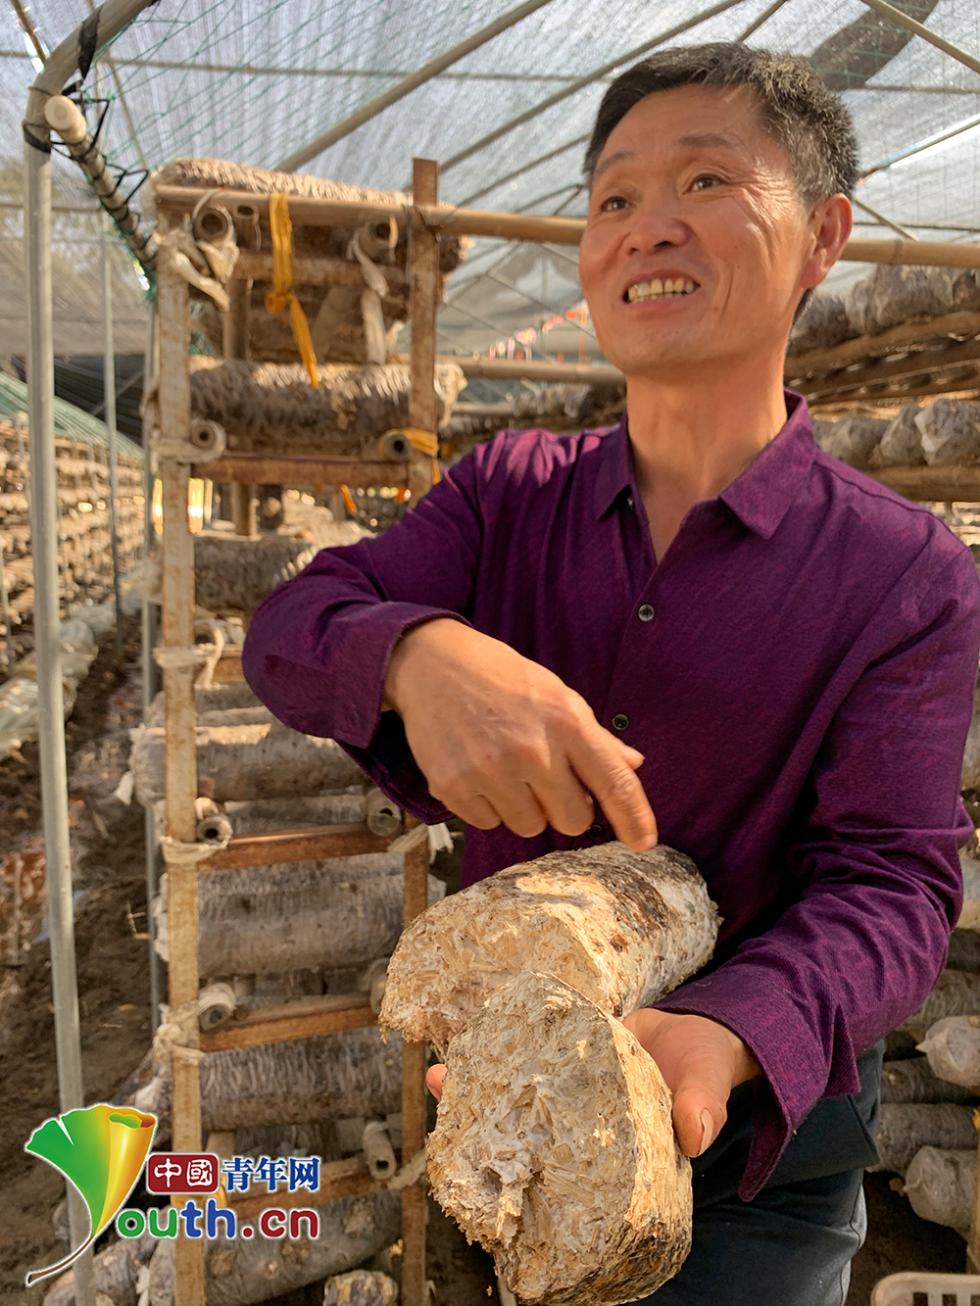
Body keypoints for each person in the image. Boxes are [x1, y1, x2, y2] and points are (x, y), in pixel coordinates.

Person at [243, 43, 980, 1306]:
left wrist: (732, 1026)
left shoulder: (905, 572)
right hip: (522, 1101)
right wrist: (415, 655)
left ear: (821, 237)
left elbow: (893, 881)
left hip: (760, 1159)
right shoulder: (504, 494)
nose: (647, 227)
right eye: (613, 197)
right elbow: (289, 626)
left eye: (705, 181)